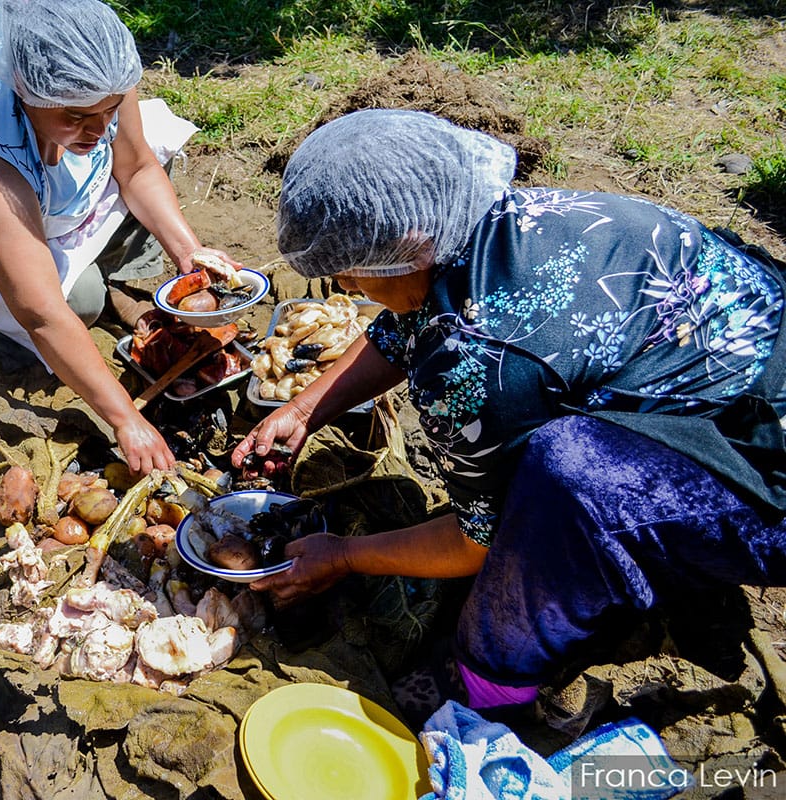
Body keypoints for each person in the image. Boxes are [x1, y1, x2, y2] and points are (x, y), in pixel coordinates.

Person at [233, 109, 786, 718]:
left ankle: (492, 683)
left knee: (564, 486)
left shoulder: (474, 365)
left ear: (404, 250)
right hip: (744, 359)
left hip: (765, 473)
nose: (345, 288)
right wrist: (309, 404)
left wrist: (339, 555)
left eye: (351, 275)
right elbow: (417, 315)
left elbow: (478, 541)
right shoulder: (507, 215)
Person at [0, 0, 239, 475]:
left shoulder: (96, 78)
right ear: (27, 92)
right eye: (78, 116)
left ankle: (110, 276)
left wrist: (189, 254)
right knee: (78, 301)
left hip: (40, 196)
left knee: (153, 153)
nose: (101, 128)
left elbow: (135, 167)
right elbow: (42, 312)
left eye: (110, 110)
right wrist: (125, 419)